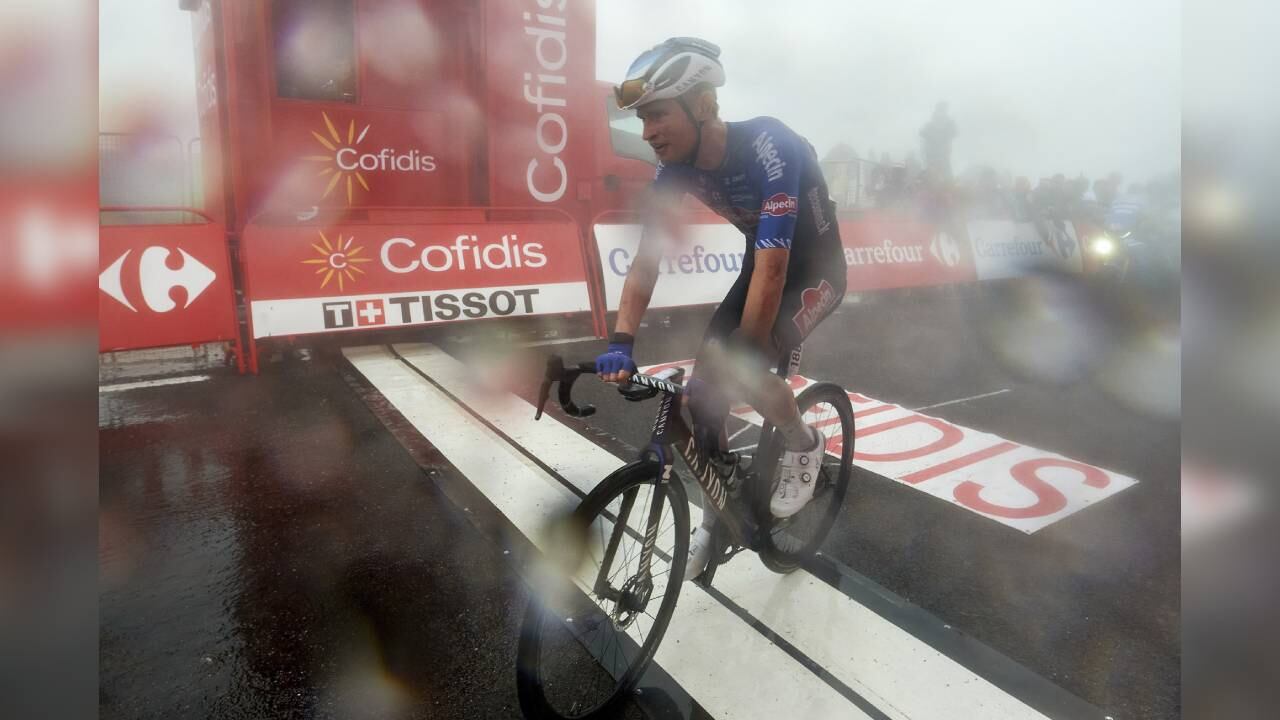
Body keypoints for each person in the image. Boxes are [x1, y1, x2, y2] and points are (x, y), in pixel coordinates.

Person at [599, 37, 846, 581]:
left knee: (745, 366)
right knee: (704, 393)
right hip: (761, 262)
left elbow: (777, 267)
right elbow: (647, 261)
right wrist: (621, 339)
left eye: (658, 114)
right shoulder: (675, 171)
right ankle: (720, 516)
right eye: (642, 120)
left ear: (704, 105)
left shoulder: (769, 145)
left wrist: (748, 350)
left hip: (814, 271)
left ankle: (805, 444)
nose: (648, 132)